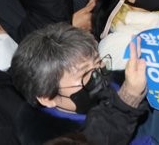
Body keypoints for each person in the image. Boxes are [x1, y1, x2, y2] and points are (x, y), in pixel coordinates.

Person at [9, 23, 149, 144]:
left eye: (98, 62)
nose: (98, 74)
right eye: (85, 74)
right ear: (47, 98)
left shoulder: (119, 81)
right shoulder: (51, 138)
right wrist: (128, 99)